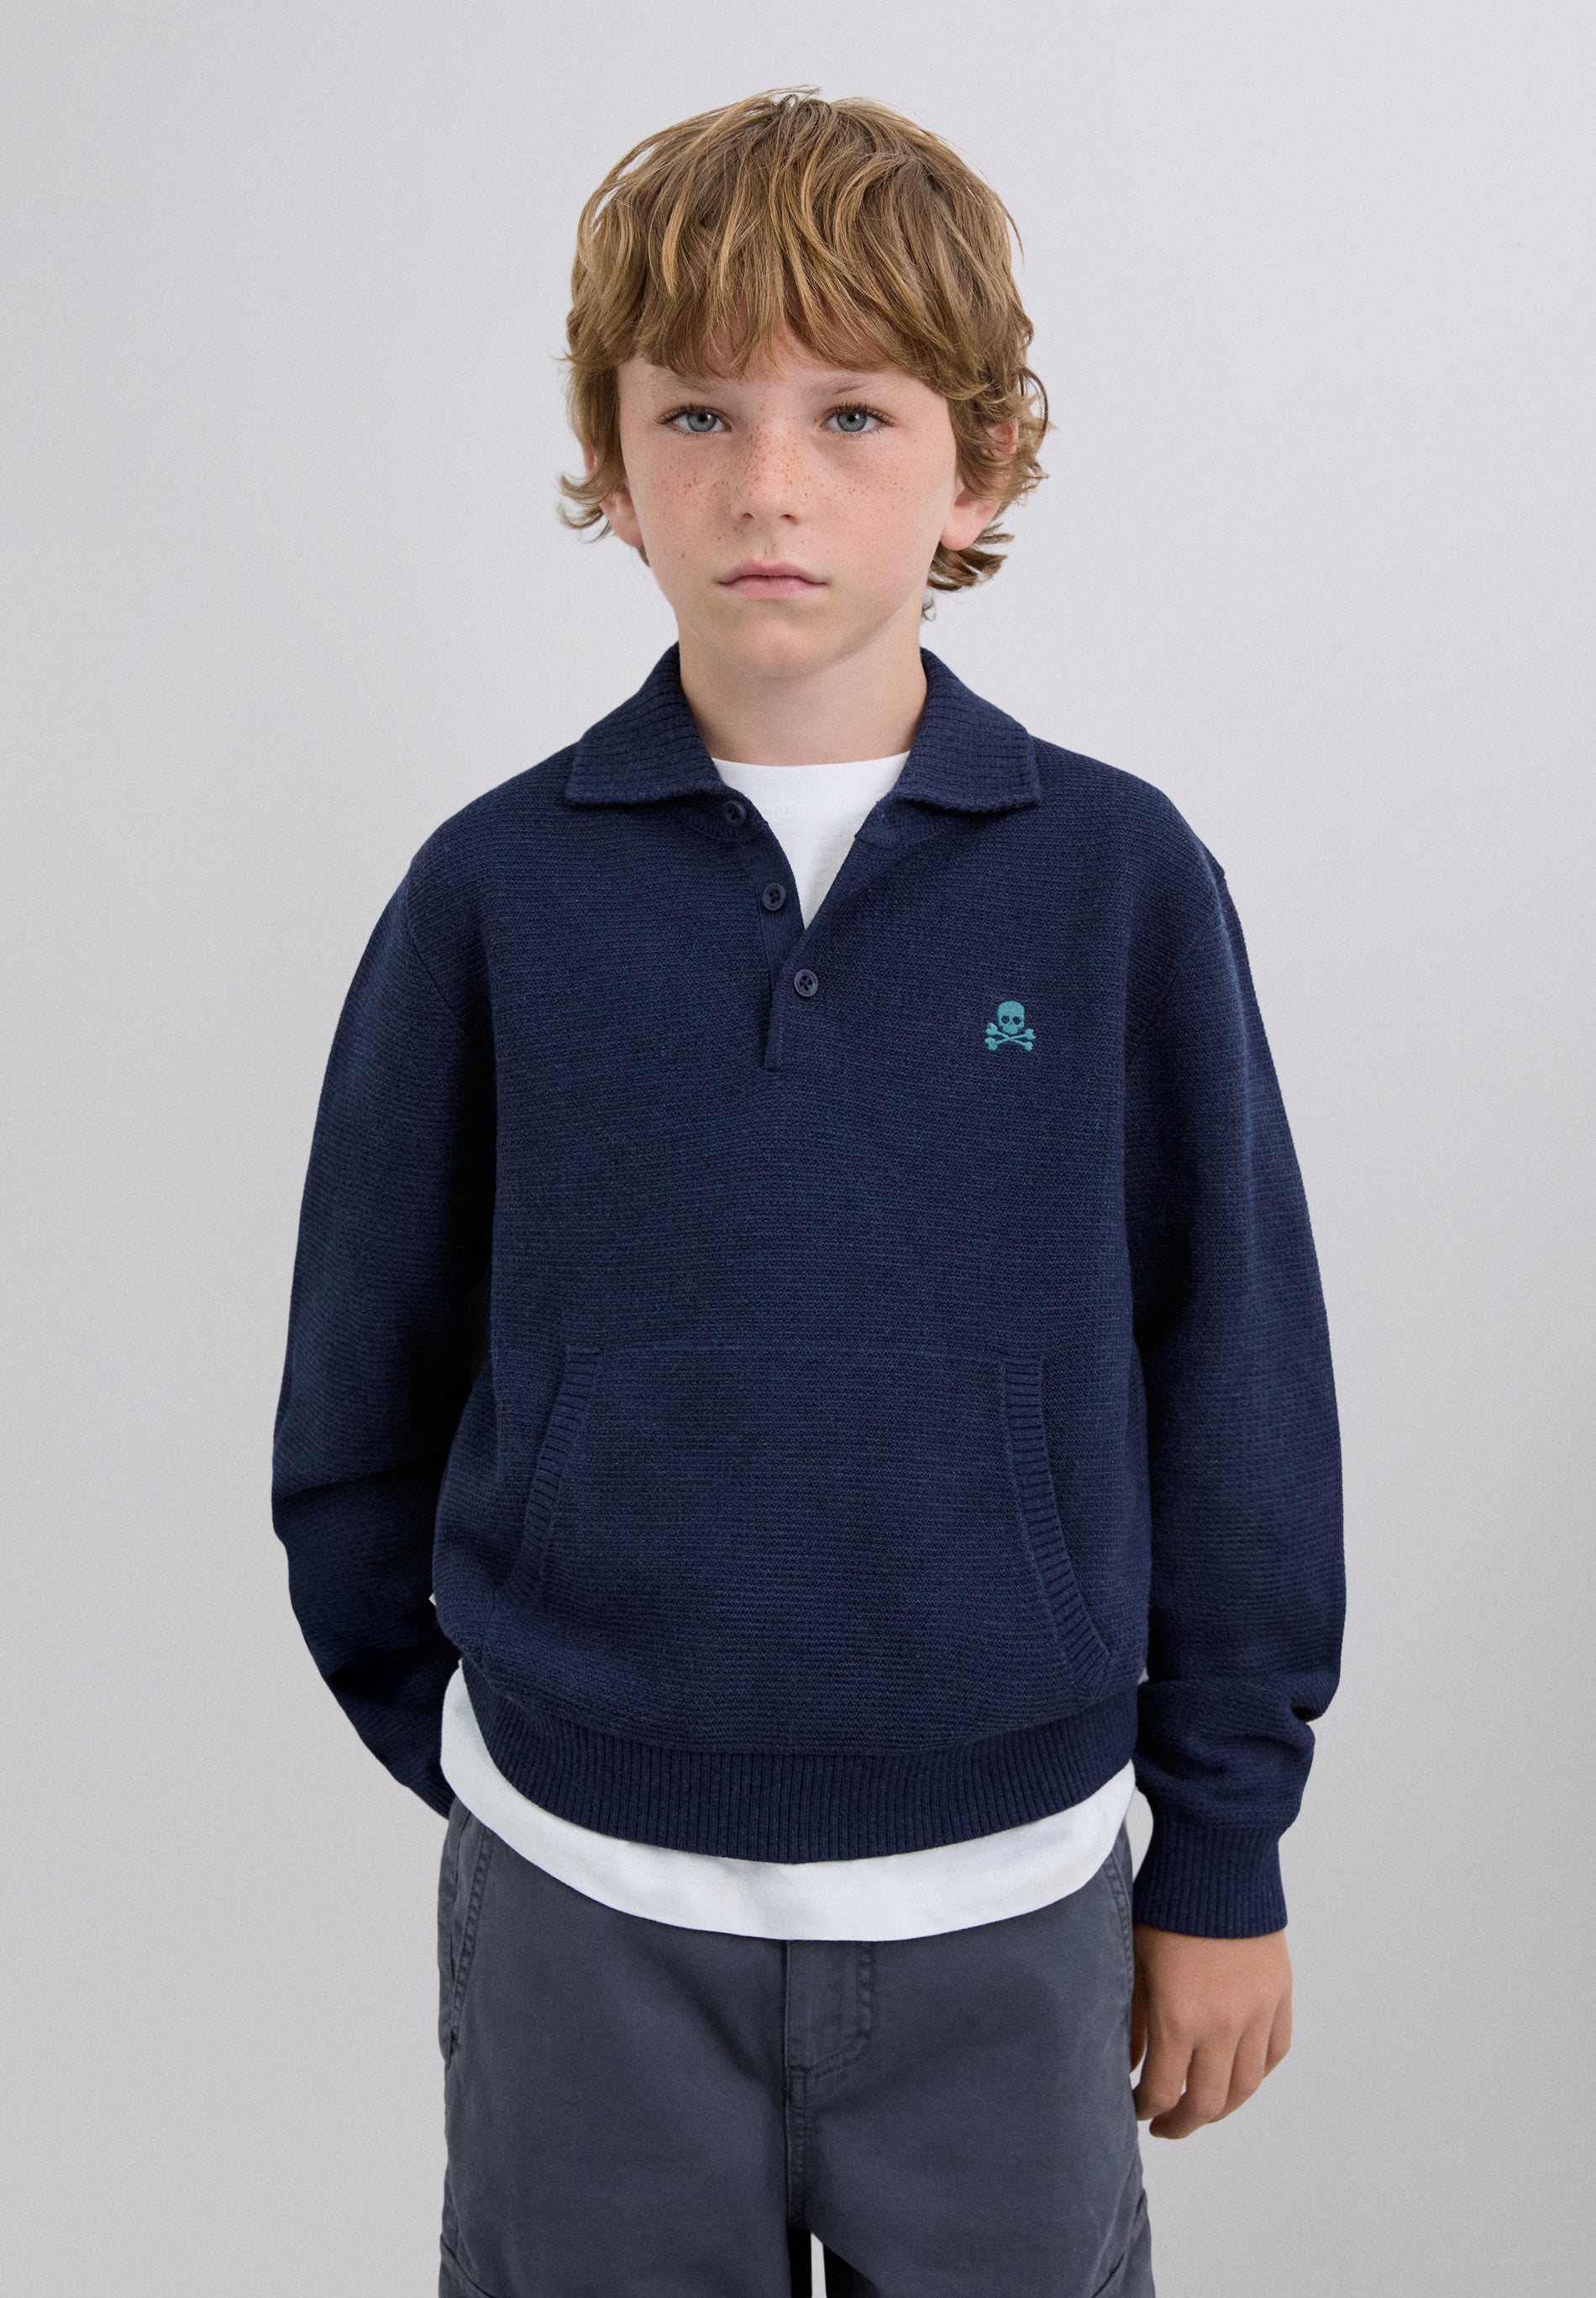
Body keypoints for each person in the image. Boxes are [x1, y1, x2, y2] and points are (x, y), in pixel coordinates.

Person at [271, 87, 1344, 2298]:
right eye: (697, 412)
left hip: (1013, 1895)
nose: (767, 483)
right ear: (610, 454)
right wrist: (506, 1747)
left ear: (980, 465)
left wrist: (1223, 1844)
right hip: (582, 1902)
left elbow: (1236, 1374)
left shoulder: (1116, 884)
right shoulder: (493, 897)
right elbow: (360, 1385)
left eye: (851, 412)